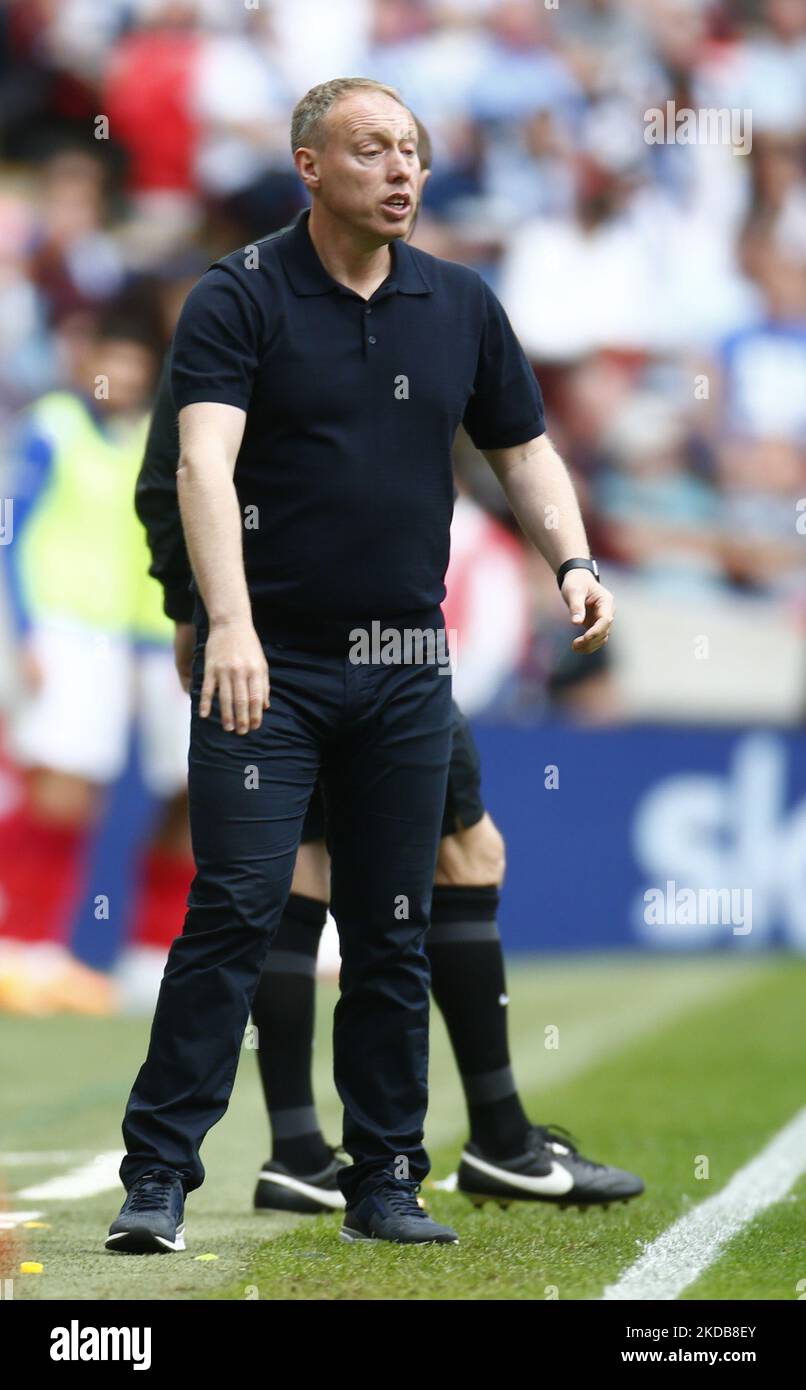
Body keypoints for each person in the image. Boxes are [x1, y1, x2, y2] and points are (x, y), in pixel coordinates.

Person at [107, 76, 615, 1254]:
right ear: (309, 165)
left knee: (390, 923)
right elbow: (198, 470)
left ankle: (385, 1176)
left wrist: (572, 559)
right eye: (372, 150)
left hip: (403, 665)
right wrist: (224, 623)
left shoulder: (460, 302)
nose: (401, 171)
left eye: (412, 153)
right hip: (268, 664)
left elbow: (522, 448)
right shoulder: (237, 298)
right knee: (233, 906)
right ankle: (159, 1177)